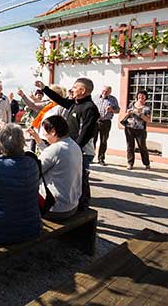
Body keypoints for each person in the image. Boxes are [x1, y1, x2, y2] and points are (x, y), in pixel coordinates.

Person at [36, 78, 99, 210]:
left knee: (81, 179)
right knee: (70, 178)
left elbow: (86, 133)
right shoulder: (74, 103)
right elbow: (60, 100)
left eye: (75, 87)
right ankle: (73, 203)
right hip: (70, 147)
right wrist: (44, 88)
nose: (72, 89)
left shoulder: (89, 108)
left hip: (81, 150)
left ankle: (83, 207)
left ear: (82, 91)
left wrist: (73, 148)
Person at [27, 116, 83, 220]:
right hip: (72, 205)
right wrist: (38, 140)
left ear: (53, 131)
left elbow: (33, 171)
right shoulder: (74, 145)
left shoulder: (55, 149)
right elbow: (52, 156)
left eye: (45, 134)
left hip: (54, 209)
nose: (45, 137)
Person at [124, 90, 151, 170]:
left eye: (143, 96)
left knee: (142, 147)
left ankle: (147, 164)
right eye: (139, 95)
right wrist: (128, 113)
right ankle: (130, 163)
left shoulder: (147, 107)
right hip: (129, 128)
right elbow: (125, 114)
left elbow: (148, 120)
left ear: (145, 98)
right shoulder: (132, 104)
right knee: (130, 146)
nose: (141, 97)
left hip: (140, 130)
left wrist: (140, 113)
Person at [93, 86, 120, 166]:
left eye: (107, 91)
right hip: (95, 121)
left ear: (110, 92)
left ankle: (101, 159)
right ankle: (90, 157)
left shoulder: (113, 99)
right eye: (104, 90)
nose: (104, 92)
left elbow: (118, 110)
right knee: (93, 140)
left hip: (106, 122)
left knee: (103, 141)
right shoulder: (95, 97)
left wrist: (112, 110)